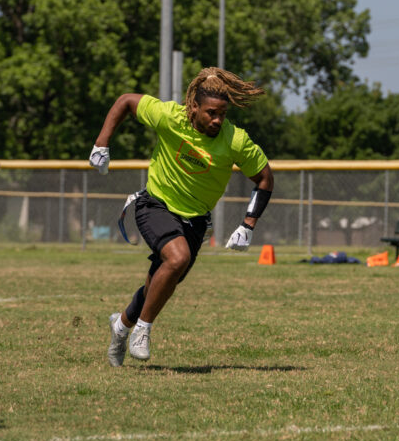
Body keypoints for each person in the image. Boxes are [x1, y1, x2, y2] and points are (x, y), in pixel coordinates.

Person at [89, 67, 274, 366]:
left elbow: (265, 179)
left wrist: (247, 225)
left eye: (222, 114)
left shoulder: (235, 140)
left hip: (196, 220)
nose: (217, 120)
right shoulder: (170, 117)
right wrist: (102, 143)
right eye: (211, 113)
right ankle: (142, 330)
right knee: (177, 259)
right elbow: (125, 101)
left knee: (160, 282)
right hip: (155, 205)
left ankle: (121, 325)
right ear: (194, 107)